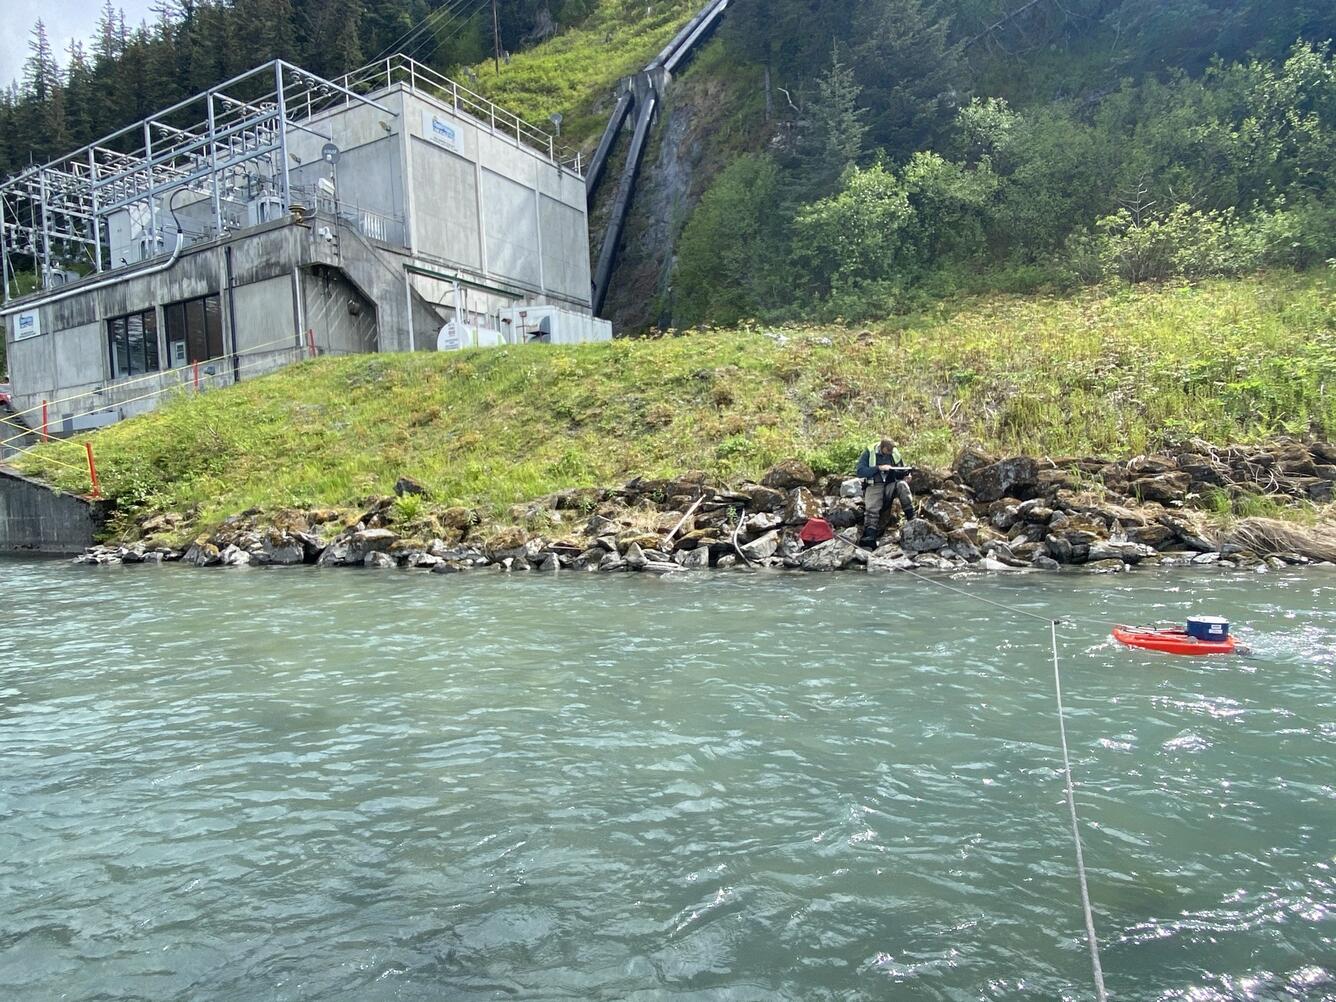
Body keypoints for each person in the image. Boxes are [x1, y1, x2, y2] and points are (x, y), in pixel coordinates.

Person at [857, 437, 916, 548]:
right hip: (874, 485)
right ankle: (870, 536)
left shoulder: (894, 453)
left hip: (890, 485)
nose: (890, 453)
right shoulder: (868, 453)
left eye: (891, 451)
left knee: (902, 486)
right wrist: (879, 468)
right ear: (882, 448)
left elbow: (901, 470)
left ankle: (912, 519)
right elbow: (860, 471)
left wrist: (906, 475)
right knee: (872, 508)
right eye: (888, 451)